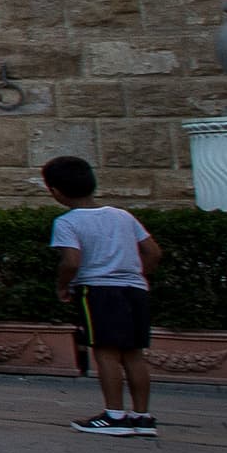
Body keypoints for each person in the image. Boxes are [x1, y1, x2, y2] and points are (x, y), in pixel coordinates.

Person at [46, 156, 161, 437]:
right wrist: (136, 273)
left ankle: (114, 414)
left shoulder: (67, 222)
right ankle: (142, 416)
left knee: (105, 352)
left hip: (97, 290)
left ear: (56, 192)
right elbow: (153, 252)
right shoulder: (123, 216)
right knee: (134, 353)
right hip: (134, 288)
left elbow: (72, 261)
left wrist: (63, 284)